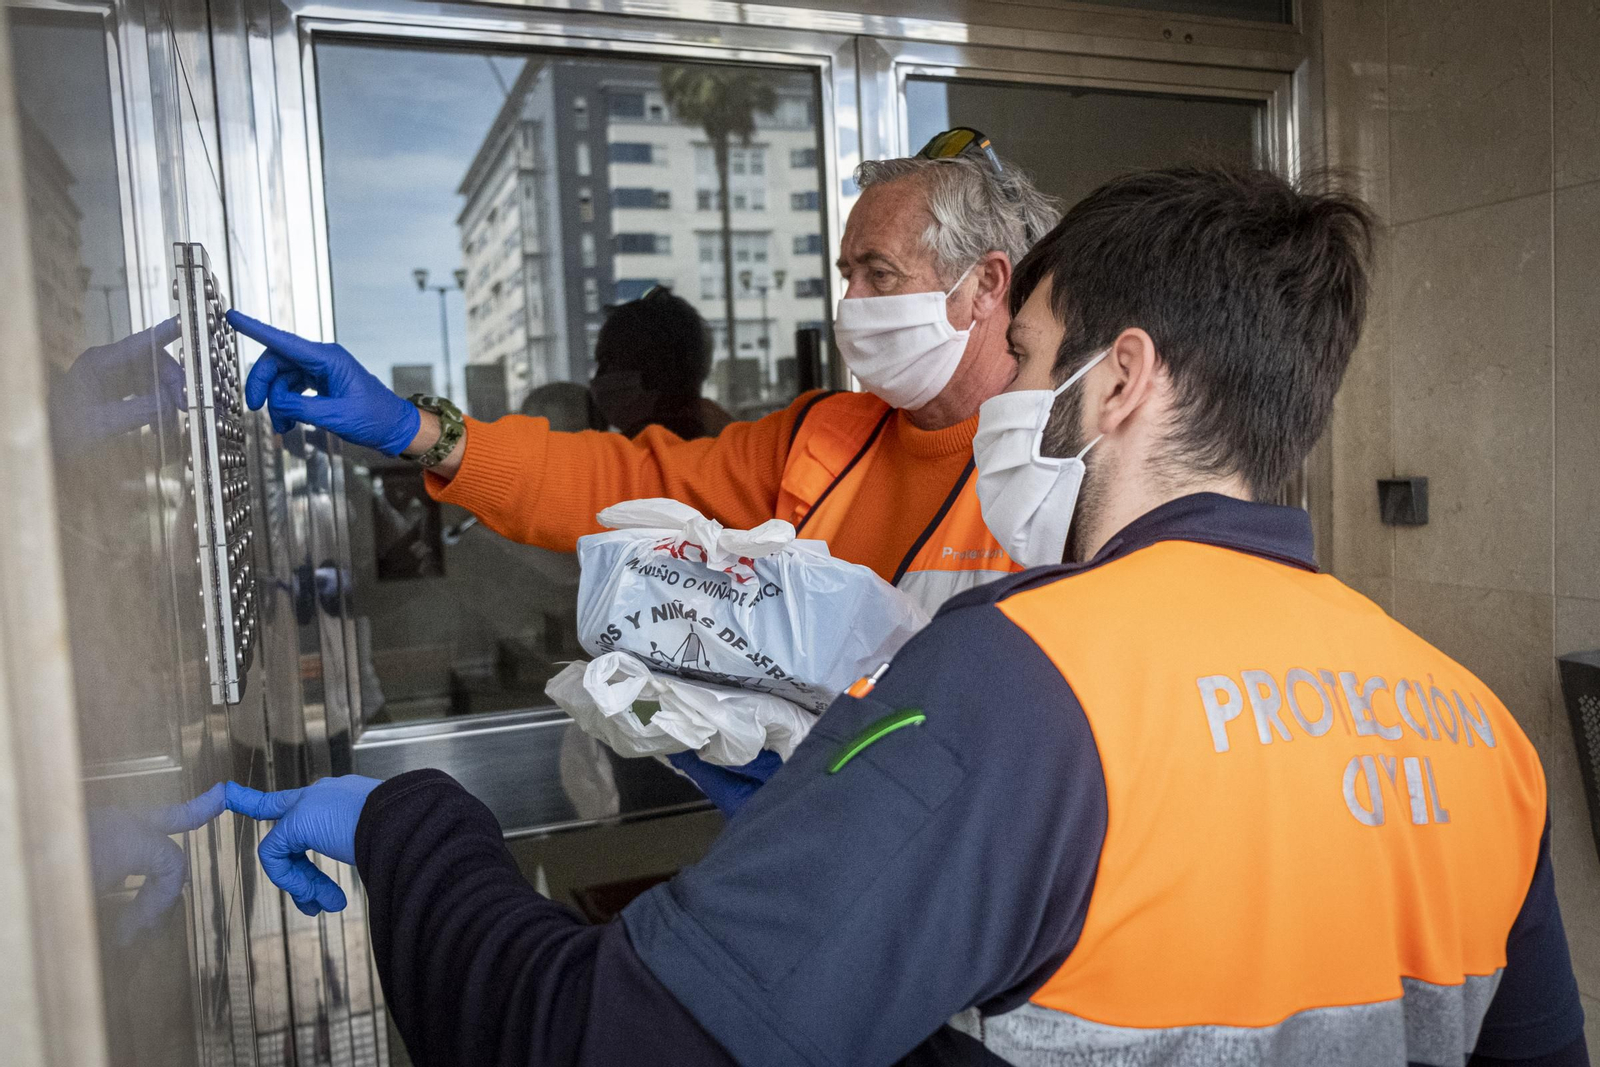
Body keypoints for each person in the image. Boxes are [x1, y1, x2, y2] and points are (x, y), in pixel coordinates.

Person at [219, 163, 1587, 1067]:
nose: (1007, 405)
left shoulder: (1024, 677)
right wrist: (431, 434)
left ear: (1120, 383)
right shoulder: (1478, 728)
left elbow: (599, 1040)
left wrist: (408, 825)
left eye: (1029, 361)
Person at [229, 132, 1062, 624]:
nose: (853, 305)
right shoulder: (826, 437)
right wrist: (422, 430)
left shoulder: (1069, 462)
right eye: (848, 274)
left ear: (987, 284)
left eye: (879, 274)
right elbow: (624, 484)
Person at [588, 285, 732, 439]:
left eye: (607, 361)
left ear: (657, 371)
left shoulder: (617, 452)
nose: (598, 377)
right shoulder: (729, 443)